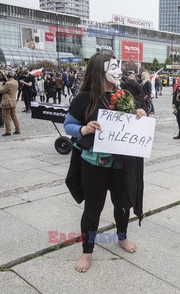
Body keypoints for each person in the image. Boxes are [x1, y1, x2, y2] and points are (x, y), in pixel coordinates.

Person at [63, 52, 147, 273]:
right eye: (113, 66)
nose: (118, 70)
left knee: (122, 203)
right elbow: (68, 125)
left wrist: (139, 113)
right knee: (93, 209)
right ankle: (87, 251)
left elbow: (133, 120)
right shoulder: (84, 98)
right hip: (93, 163)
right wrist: (84, 128)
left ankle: (121, 237)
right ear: (99, 70)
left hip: (121, 163)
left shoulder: (125, 94)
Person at [0, 70, 21, 136]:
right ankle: (17, 129)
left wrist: (1, 85)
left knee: (6, 117)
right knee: (14, 116)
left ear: (7, 76)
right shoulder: (15, 82)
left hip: (7, 102)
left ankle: (8, 131)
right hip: (13, 101)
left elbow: (1, 91)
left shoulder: (8, 84)